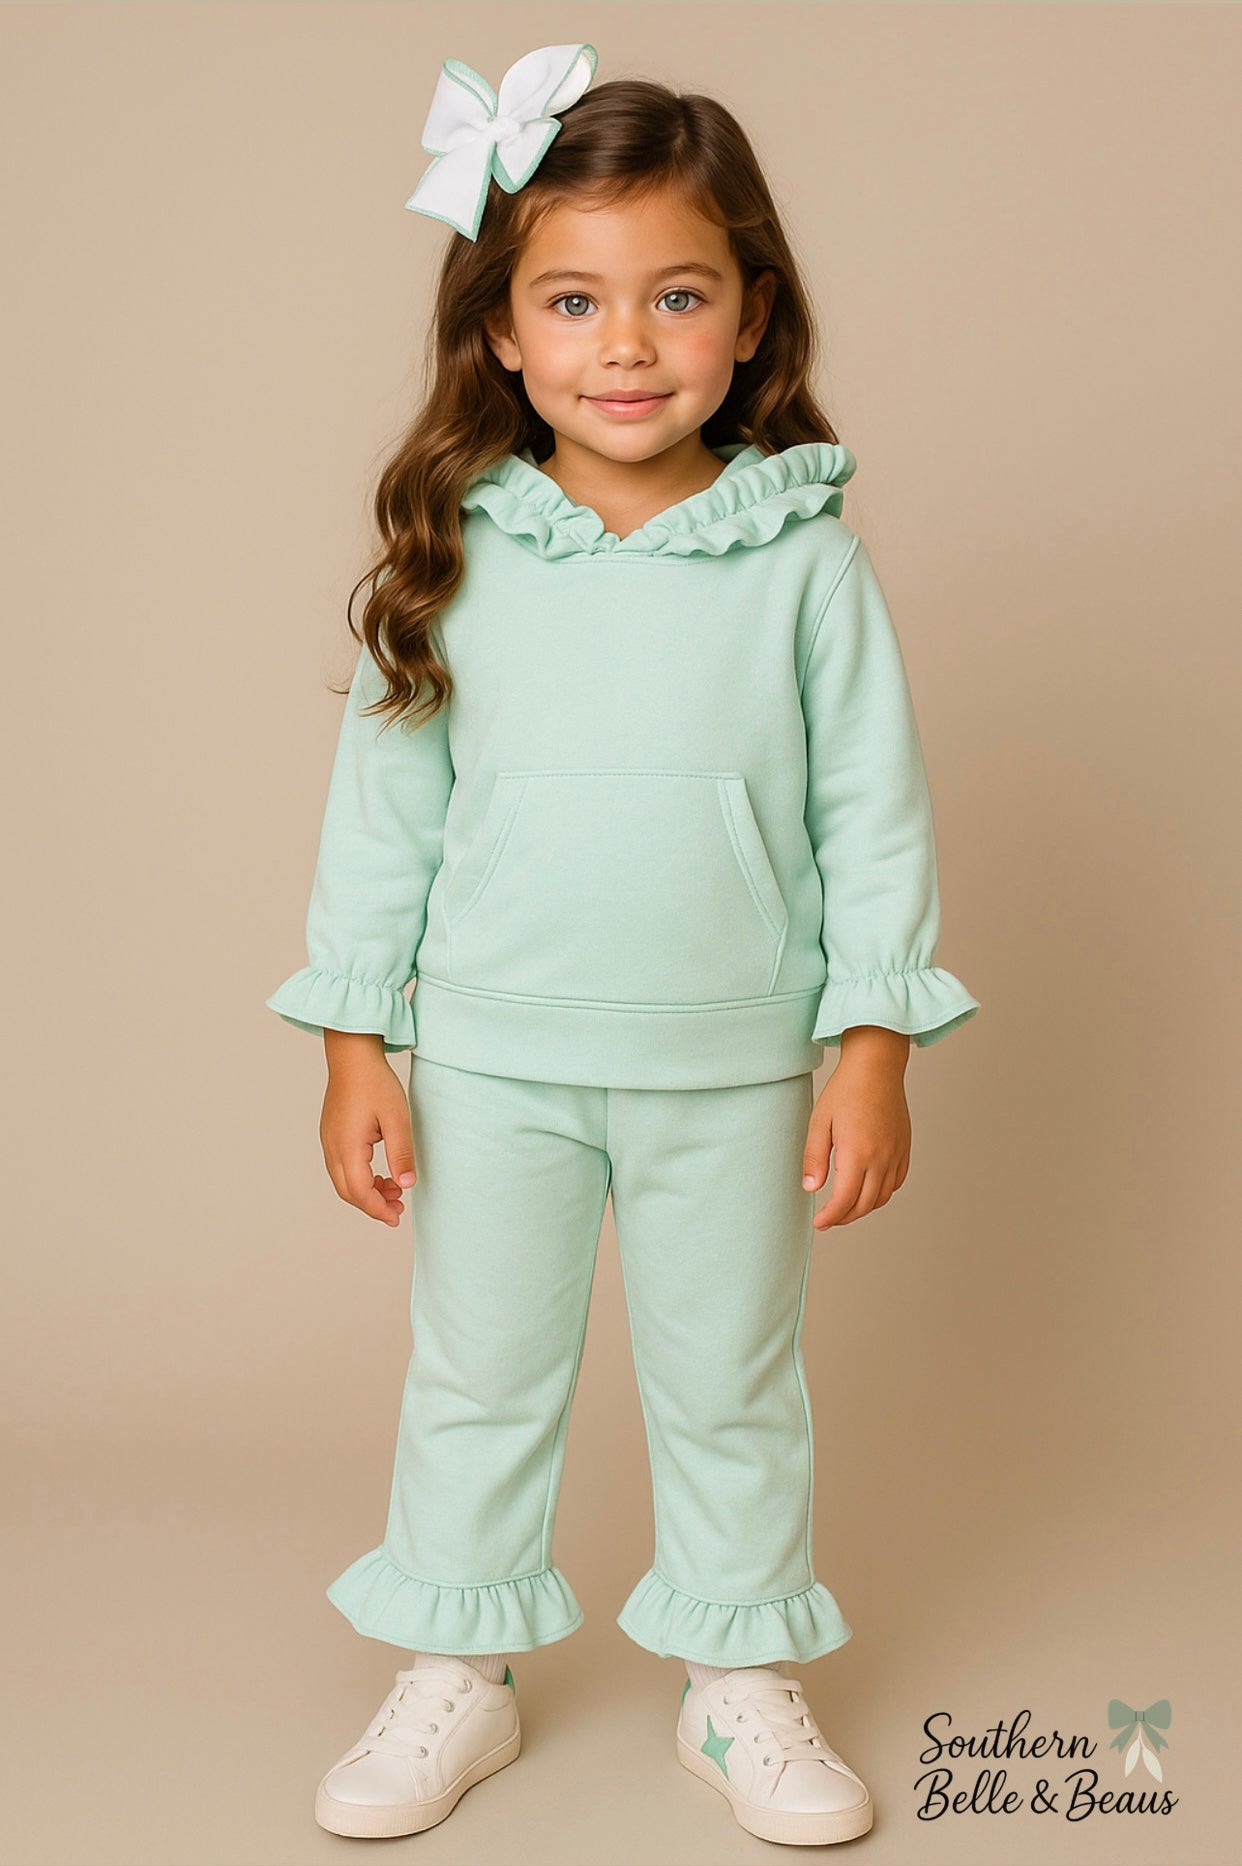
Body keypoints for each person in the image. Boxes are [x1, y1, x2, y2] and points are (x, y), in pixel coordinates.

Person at [265, 40, 980, 1850]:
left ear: (752, 314)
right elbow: (384, 816)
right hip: (489, 1056)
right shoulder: (455, 551)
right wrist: (355, 1041)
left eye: (678, 294)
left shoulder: (802, 557)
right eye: (573, 301)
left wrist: (871, 1043)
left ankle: (736, 1677)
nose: (628, 344)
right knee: (477, 1380)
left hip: (727, 1061)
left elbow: (873, 813)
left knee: (730, 1384)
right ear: (502, 333)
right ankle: (458, 1665)